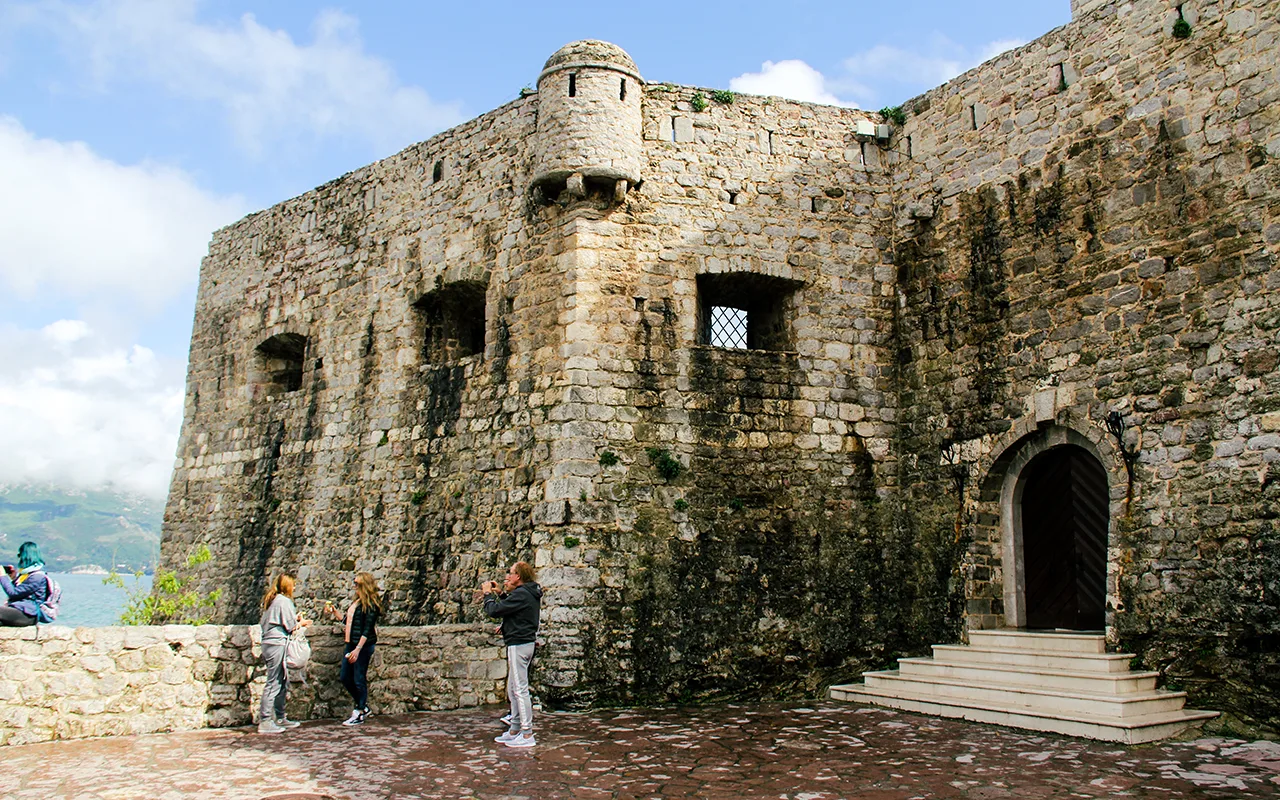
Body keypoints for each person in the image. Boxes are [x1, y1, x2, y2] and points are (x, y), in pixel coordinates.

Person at [482, 561, 542, 748]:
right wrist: (501, 594)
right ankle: (514, 729)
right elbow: (517, 611)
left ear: (519, 577)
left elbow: (494, 611)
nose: (507, 576)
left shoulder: (523, 594)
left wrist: (487, 594)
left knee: (520, 690)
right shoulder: (528, 592)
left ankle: (527, 734)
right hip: (522, 642)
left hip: (519, 643)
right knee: (513, 688)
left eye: (511, 573)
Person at [324, 571, 383, 726]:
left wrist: (357, 649)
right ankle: (362, 706)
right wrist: (335, 613)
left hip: (362, 646)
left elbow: (367, 629)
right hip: (350, 643)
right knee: (345, 677)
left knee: (358, 678)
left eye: (357, 583)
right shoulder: (357, 602)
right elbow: (349, 622)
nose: (354, 586)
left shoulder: (371, 604)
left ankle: (359, 711)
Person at [258, 574, 309, 734]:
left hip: (270, 642)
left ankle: (280, 717)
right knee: (274, 682)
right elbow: (290, 626)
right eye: (293, 585)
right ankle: (265, 721)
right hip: (277, 644)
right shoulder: (284, 601)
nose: (294, 588)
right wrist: (301, 623)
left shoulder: (272, 600)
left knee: (282, 680)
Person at [0, 542, 50, 627]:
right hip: (18, 610)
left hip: (28, 614)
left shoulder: (37, 577)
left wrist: (2, 576)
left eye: (20, 556)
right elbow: (19, 592)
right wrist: (14, 578)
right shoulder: (26, 575)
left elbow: (13, 593)